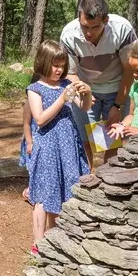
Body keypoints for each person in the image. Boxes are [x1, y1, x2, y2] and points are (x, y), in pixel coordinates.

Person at [27, 40, 92, 255]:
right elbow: (40, 119)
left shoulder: (66, 84)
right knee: (44, 193)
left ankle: (58, 238)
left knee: (65, 188)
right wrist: (62, 99)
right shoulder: (35, 89)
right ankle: (39, 243)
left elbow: (83, 107)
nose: (59, 70)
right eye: (55, 65)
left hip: (67, 145)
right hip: (47, 147)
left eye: (62, 65)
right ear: (43, 63)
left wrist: (87, 92)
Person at [60, 0, 138, 169]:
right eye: (84, 26)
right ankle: (85, 181)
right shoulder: (68, 34)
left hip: (117, 86)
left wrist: (117, 106)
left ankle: (108, 181)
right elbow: (69, 73)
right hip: (85, 87)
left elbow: (129, 70)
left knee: (112, 139)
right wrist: (83, 92)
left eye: (94, 27)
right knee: (84, 138)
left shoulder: (122, 29)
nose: (88, 33)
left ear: (106, 20)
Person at [19, 74, 38, 204]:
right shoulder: (30, 103)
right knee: (34, 168)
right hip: (33, 141)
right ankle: (31, 191)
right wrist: (29, 142)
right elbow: (26, 124)